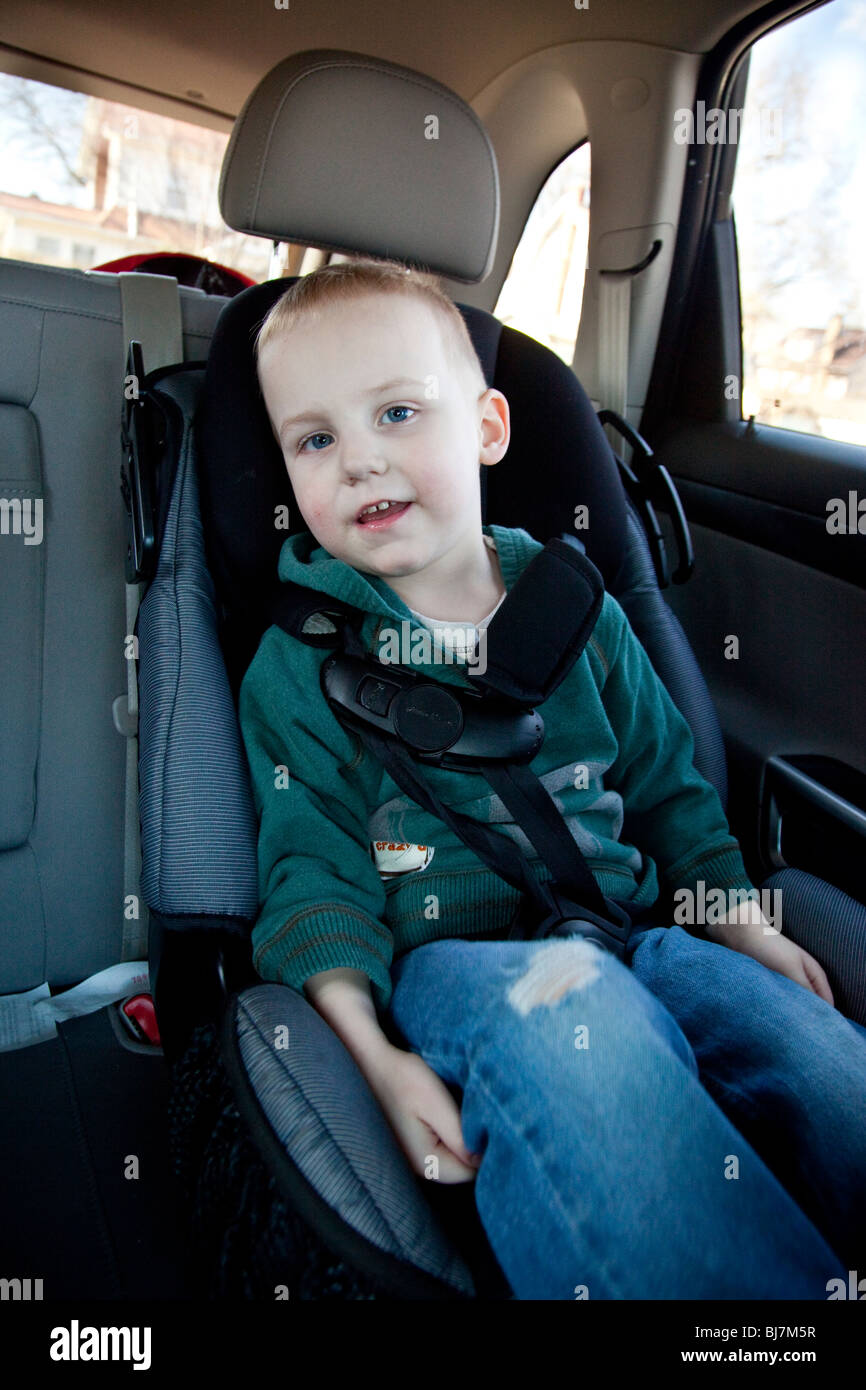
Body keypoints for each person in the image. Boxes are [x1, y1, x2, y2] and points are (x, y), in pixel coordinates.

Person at [238, 255, 866, 1300]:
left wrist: (736, 919)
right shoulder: (302, 660)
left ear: (486, 428)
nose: (356, 463)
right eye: (316, 439)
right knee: (590, 1055)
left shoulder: (576, 607)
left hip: (634, 931)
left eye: (396, 413)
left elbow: (668, 786)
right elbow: (313, 871)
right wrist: (374, 1056)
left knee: (820, 1069)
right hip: (454, 962)